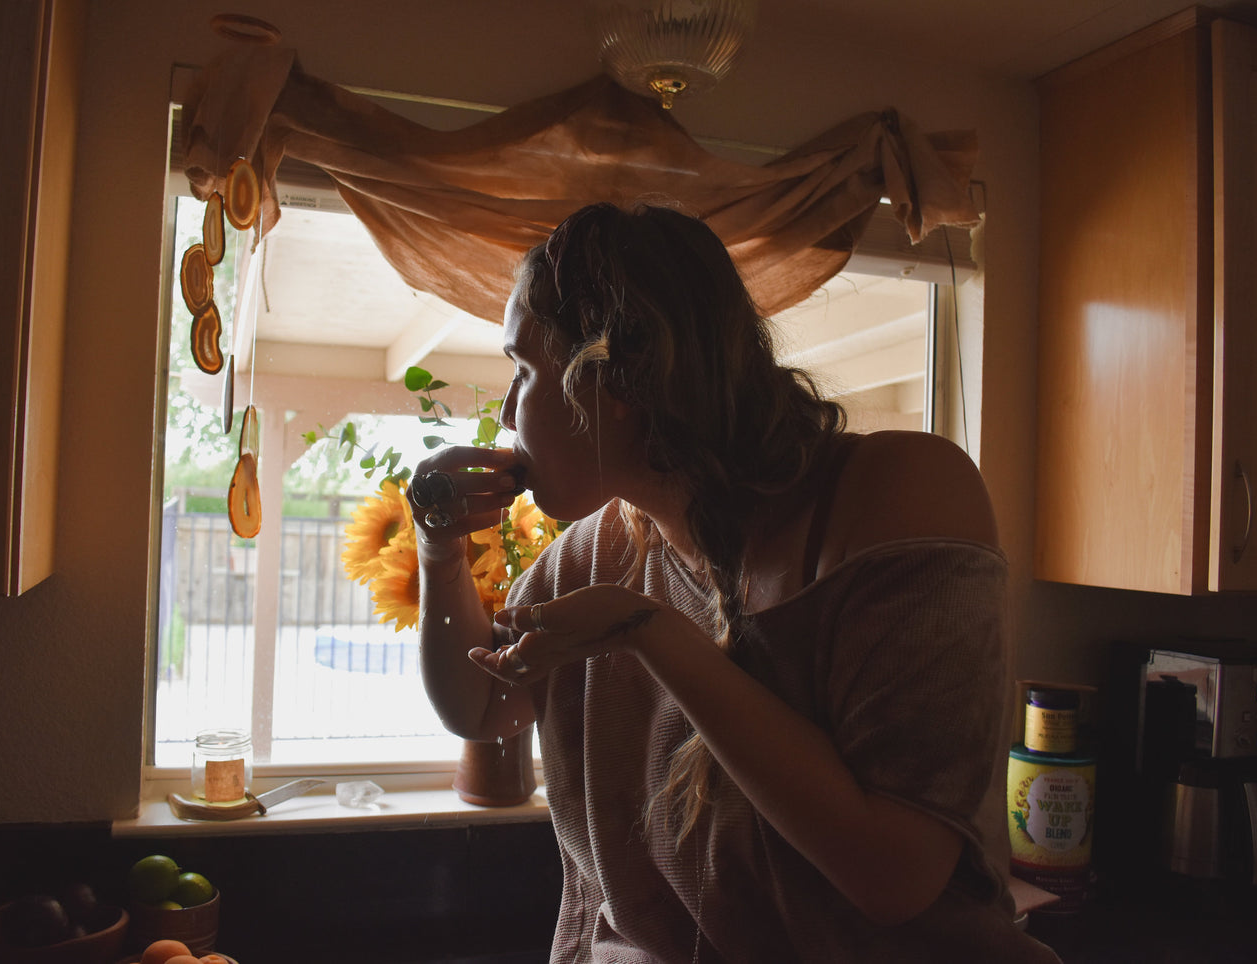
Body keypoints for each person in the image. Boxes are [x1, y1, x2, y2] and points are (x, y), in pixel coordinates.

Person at [407, 202, 1060, 962]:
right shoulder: (599, 550)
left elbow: (893, 876)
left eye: (524, 368)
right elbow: (482, 705)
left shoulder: (898, 492)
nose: (512, 411)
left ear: (618, 373)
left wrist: (648, 633)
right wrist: (438, 553)